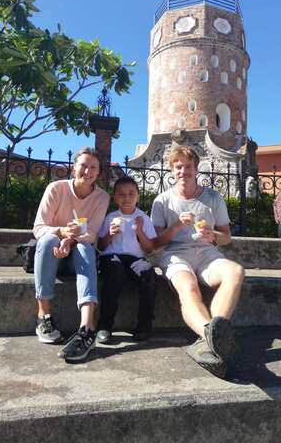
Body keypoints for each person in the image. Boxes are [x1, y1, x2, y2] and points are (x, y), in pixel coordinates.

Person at [151, 145, 245, 378]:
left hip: (207, 254)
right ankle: (212, 338)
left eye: (188, 167)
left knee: (236, 271)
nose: (184, 171)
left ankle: (210, 338)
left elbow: (226, 237)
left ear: (196, 169)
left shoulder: (212, 197)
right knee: (188, 286)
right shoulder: (162, 201)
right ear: (172, 170)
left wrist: (212, 236)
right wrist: (176, 226)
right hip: (176, 254)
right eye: (178, 167)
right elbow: (155, 243)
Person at [33, 147, 109, 361]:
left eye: (93, 167)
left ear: (99, 173)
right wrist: (61, 232)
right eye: (83, 165)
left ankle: (86, 328)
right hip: (51, 256)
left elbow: (92, 233)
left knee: (85, 247)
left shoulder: (101, 197)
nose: (87, 171)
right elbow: (39, 228)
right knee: (48, 239)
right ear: (74, 167)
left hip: (77, 257)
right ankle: (44, 316)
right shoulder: (56, 189)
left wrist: (70, 239)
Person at [97, 176, 157, 343]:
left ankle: (144, 325)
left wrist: (139, 231)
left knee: (148, 274)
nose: (127, 198)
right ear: (115, 197)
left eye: (131, 193)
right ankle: (105, 325)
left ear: (138, 196)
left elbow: (149, 248)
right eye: (121, 194)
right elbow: (101, 246)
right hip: (112, 257)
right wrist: (110, 234)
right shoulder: (110, 217)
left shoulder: (143, 218)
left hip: (135, 258)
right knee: (115, 271)